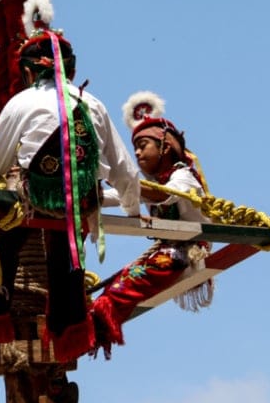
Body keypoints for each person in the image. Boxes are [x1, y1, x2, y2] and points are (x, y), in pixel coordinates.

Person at [0, 0, 141, 403]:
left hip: (27, 214)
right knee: (65, 279)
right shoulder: (93, 105)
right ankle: (66, 336)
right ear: (70, 69)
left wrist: (7, 179)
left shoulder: (20, 104)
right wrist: (135, 214)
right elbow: (125, 173)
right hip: (73, 222)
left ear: (27, 69)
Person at [90, 91, 216, 358]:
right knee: (110, 289)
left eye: (143, 145)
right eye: (134, 147)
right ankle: (91, 328)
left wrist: (121, 180)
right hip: (166, 253)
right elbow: (122, 195)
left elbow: (162, 195)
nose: (136, 152)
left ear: (165, 146)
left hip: (185, 253)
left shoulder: (183, 176)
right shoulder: (154, 184)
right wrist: (92, 195)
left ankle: (92, 332)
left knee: (118, 294)